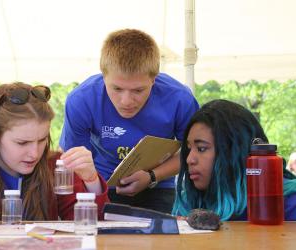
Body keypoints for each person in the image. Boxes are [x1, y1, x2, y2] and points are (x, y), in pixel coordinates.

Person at [59, 28, 199, 213]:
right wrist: (95, 184)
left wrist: (152, 176)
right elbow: (75, 161)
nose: (126, 101)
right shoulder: (81, 100)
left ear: (154, 79)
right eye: (116, 89)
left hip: (158, 184)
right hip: (101, 184)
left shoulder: (180, 99)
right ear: (103, 76)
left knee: (164, 239)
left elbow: (193, 154)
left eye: (138, 90)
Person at [0, 82, 109, 221]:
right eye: (22, 143)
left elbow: (91, 227)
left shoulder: (57, 167)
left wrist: (91, 181)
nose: (35, 153)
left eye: (42, 140)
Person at [172, 99, 296, 220]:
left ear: (234, 151)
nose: (189, 159)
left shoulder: (290, 203)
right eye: (188, 149)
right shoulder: (189, 203)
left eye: (201, 149)